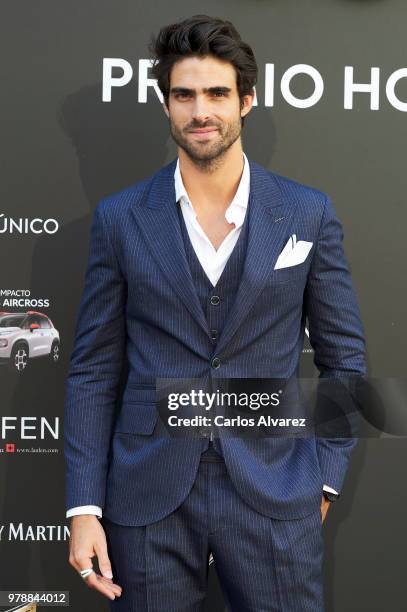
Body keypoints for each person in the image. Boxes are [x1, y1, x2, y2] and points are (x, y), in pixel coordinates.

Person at [64, 14, 366, 611]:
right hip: (148, 498)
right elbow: (93, 371)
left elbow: (345, 361)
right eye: (184, 95)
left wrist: (323, 478)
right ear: (166, 105)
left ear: (246, 100)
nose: (201, 111)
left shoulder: (307, 213)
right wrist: (83, 509)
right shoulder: (122, 218)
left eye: (217, 93)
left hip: (274, 492)